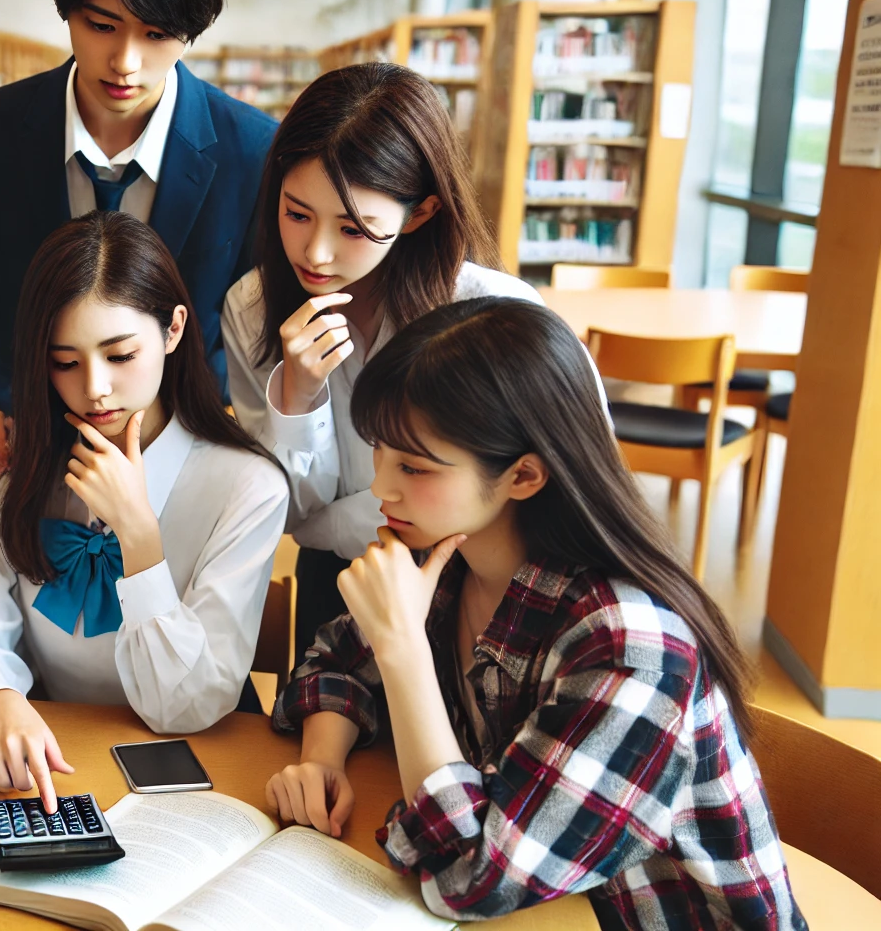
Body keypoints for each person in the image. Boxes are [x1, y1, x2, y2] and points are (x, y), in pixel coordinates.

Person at [267, 297, 802, 930]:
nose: (382, 487)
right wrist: (324, 758)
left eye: (414, 466)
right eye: (380, 452)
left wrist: (403, 648)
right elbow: (334, 660)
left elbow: (470, 877)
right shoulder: (453, 559)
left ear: (523, 476)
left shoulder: (633, 649)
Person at [0, 211, 289, 812]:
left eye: (120, 356)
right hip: (47, 767)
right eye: (65, 362)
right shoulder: (6, 463)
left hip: (193, 782)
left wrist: (140, 537)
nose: (94, 388)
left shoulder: (248, 486)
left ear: (173, 330)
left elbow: (186, 705)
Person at [220, 61, 545, 663]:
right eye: (296, 214)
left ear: (418, 214)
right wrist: (297, 397)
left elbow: (553, 491)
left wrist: (322, 524)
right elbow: (282, 509)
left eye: (354, 228)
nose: (315, 252)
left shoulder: (494, 315)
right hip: (342, 589)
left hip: (485, 585)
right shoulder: (252, 307)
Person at [0, 0, 276, 474]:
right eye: (101, 26)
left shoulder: (252, 149)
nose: (126, 62)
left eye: (157, 34)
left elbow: (242, 328)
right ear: (66, 7)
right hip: (26, 452)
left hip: (180, 454)